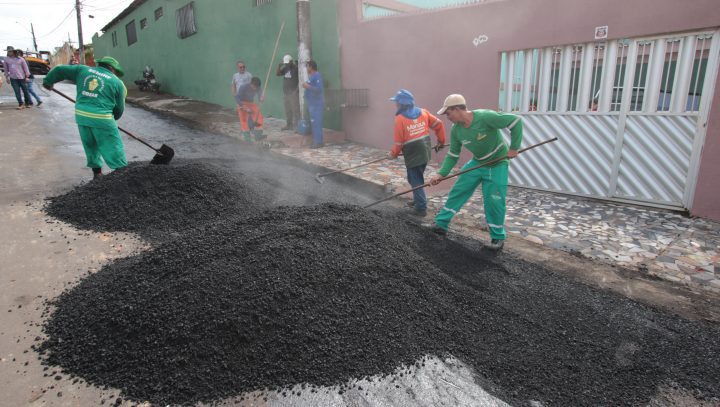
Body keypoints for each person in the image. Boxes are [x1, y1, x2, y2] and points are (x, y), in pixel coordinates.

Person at [427, 94, 523, 251]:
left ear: (457, 109)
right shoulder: (456, 130)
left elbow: (516, 121)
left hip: (497, 164)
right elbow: (453, 154)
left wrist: (514, 147)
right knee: (459, 190)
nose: (447, 117)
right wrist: (441, 174)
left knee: (494, 200)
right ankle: (441, 224)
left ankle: (497, 238)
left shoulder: (485, 117)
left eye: (448, 113)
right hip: (478, 162)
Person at [43, 56, 129, 179]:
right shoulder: (117, 82)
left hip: (82, 116)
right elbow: (119, 108)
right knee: (113, 146)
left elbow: (59, 69)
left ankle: (97, 174)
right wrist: (112, 119)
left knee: (91, 144)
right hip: (103, 118)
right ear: (112, 68)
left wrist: (48, 81)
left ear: (100, 64)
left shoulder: (82, 70)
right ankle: (122, 175)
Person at [388, 89, 446, 217]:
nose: (395, 104)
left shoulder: (400, 119)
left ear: (402, 104)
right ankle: (418, 200)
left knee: (416, 181)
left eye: (396, 102)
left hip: (413, 152)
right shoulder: (423, 112)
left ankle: (421, 209)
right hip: (425, 150)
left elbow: (399, 142)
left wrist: (393, 154)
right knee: (414, 177)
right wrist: (441, 141)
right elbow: (438, 124)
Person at [302, 60, 325, 149]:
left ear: (311, 67)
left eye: (307, 66)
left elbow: (319, 89)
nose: (307, 68)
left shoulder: (317, 76)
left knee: (317, 123)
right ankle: (317, 141)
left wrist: (308, 86)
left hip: (317, 104)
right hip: (311, 103)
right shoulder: (311, 76)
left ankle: (318, 142)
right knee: (313, 123)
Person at [234, 76, 265, 143]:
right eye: (254, 87)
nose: (255, 88)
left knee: (259, 116)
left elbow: (260, 98)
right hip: (242, 103)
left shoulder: (258, 88)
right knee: (244, 119)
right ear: (251, 84)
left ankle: (258, 136)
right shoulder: (243, 87)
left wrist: (262, 99)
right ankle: (247, 138)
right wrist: (244, 107)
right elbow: (237, 98)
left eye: (256, 87)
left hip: (251, 103)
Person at [276, 54, 300, 131]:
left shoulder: (296, 69)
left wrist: (296, 91)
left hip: (293, 93)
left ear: (291, 61)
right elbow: (278, 74)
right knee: (288, 110)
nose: (286, 64)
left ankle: (297, 126)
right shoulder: (286, 68)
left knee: (295, 110)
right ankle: (289, 125)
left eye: (288, 63)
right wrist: (279, 66)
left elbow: (300, 80)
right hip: (286, 93)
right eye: (285, 63)